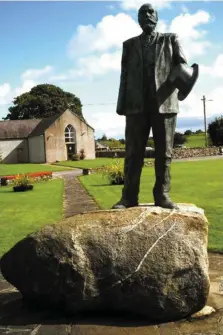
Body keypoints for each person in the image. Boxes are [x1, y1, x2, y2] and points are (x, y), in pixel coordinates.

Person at [113, 3, 188, 210]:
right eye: (142, 13)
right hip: (136, 104)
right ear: (138, 19)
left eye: (150, 12)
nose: (146, 15)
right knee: (133, 153)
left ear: (157, 17)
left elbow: (183, 67)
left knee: (164, 152)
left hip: (164, 103)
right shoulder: (129, 45)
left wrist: (185, 87)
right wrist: (121, 104)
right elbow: (124, 76)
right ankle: (128, 197)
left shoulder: (170, 39)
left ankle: (162, 194)